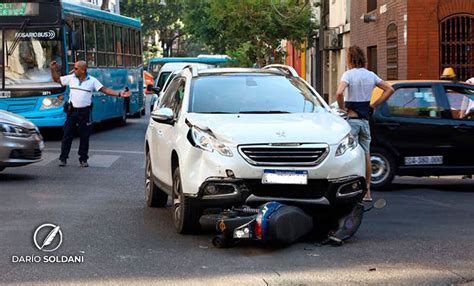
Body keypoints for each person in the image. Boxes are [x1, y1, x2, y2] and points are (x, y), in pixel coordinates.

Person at [335, 46, 395, 202]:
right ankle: (367, 192)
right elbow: (389, 89)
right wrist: (374, 105)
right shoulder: (371, 75)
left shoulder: (348, 74)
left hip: (352, 121)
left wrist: (342, 109)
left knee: (348, 154)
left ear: (349, 59)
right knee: (366, 155)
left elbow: (339, 92)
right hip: (365, 121)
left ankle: (350, 188)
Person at [49, 60, 131, 167]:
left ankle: (83, 159)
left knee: (84, 136)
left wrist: (119, 94)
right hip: (72, 112)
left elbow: (104, 89)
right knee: (67, 135)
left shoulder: (92, 81)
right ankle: (63, 158)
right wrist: (52, 69)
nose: (74, 70)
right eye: (74, 68)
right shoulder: (71, 78)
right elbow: (57, 79)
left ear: (83, 70)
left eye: (76, 68)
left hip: (84, 112)